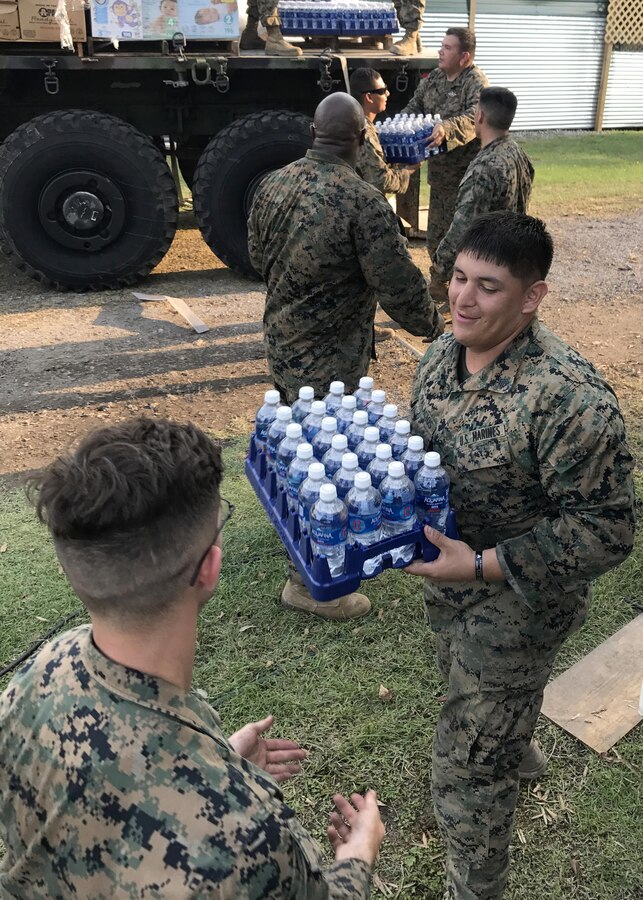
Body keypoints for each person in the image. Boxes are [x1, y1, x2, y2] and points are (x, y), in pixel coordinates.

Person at [0, 418, 385, 897]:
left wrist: (217, 754)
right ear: (209, 568)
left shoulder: (35, 677)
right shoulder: (244, 840)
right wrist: (356, 857)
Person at [405, 211, 636, 899]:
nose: (462, 300)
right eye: (457, 278)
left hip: (520, 600)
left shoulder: (569, 400)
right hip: (450, 580)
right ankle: (515, 735)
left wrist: (479, 565)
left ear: (532, 296)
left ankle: (473, 888)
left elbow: (605, 530)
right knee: (453, 671)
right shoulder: (441, 355)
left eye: (487, 287)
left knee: (468, 769)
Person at [248, 92, 443, 621]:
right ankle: (308, 587)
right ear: (361, 138)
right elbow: (397, 285)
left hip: (283, 339)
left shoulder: (272, 184)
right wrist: (434, 326)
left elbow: (256, 257)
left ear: (314, 131)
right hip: (332, 357)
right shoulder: (361, 202)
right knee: (330, 465)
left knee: (296, 450)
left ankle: (292, 533)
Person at [429, 86, 535, 306]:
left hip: (487, 266)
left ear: (479, 116)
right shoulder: (517, 152)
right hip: (510, 259)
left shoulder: (484, 168)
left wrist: (439, 270)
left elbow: (462, 228)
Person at [401, 28, 489, 273]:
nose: (440, 51)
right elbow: (414, 106)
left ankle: (460, 288)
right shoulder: (435, 79)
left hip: (465, 178)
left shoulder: (475, 82)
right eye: (442, 45)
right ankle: (443, 284)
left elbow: (475, 117)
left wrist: (446, 128)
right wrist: (397, 126)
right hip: (440, 177)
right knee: (436, 238)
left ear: (465, 57)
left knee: (462, 240)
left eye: (448, 48)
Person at [350, 67, 418, 198]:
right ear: (369, 97)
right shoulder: (364, 132)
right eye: (382, 91)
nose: (388, 94)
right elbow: (381, 181)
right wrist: (410, 169)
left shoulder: (352, 120)